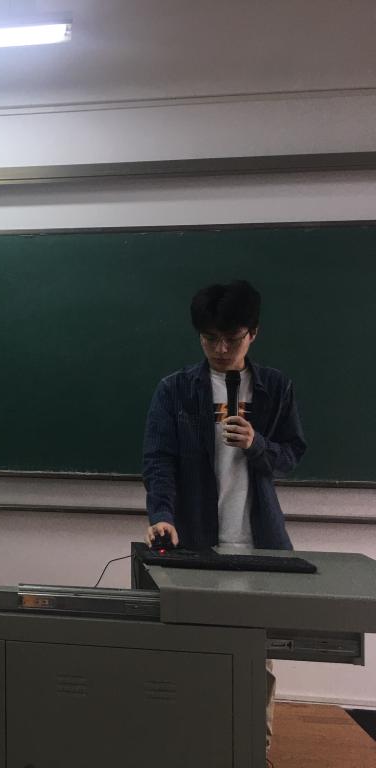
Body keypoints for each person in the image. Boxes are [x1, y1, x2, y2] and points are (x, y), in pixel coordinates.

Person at [142, 279, 307, 754]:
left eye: (231, 339)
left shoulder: (276, 388)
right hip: (195, 542)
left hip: (261, 546)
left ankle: (256, 751)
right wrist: (162, 514)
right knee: (191, 652)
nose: (219, 349)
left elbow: (292, 455)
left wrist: (258, 444)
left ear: (252, 333)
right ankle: (191, 748)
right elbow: (159, 461)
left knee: (258, 656)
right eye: (209, 339)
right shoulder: (175, 390)